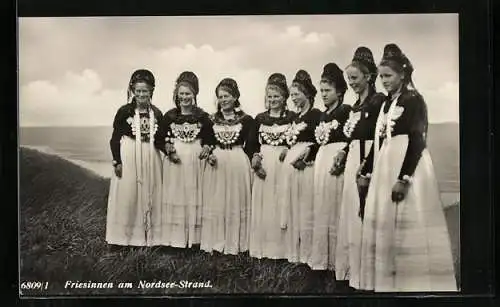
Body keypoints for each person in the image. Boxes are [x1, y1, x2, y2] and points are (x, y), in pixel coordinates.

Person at [358, 43, 457, 292]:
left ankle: (412, 283)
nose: (384, 81)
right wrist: (366, 170)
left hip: (408, 167)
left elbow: (417, 140)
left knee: (407, 220)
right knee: (385, 222)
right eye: (381, 77)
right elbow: (379, 142)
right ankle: (388, 283)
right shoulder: (385, 104)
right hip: (385, 165)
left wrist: (404, 178)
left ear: (402, 74)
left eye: (388, 76)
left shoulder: (415, 101)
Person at [334, 47, 386, 290]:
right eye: (348, 80)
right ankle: (354, 273)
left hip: (369, 159)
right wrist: (344, 151)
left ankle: (371, 275)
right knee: (353, 212)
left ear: (368, 76)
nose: (351, 83)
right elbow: (352, 136)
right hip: (354, 156)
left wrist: (368, 166)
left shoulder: (378, 102)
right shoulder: (354, 107)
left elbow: (380, 136)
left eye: (354, 78)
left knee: (365, 211)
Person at [106, 69, 164, 247]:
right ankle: (124, 238)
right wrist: (117, 161)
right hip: (130, 155)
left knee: (152, 192)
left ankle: (150, 238)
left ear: (151, 91)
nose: (141, 94)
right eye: (137, 91)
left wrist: (169, 151)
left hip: (150, 157)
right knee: (129, 194)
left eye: (145, 91)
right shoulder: (124, 112)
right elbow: (115, 138)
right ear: (132, 91)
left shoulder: (157, 113)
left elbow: (160, 140)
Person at [200, 78, 257, 255]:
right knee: (218, 200)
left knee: (236, 200)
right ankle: (217, 242)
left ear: (235, 97)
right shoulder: (210, 120)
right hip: (217, 162)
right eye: (220, 97)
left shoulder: (247, 120)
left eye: (227, 96)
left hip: (238, 161)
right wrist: (209, 155)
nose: (223, 100)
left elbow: (252, 145)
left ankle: (236, 243)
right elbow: (207, 142)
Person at [158, 71, 213, 248]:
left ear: (195, 94)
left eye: (188, 93)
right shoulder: (169, 116)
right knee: (175, 194)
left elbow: (210, 138)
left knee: (193, 194)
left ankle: (194, 240)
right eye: (181, 94)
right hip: (176, 160)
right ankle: (174, 240)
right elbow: (159, 138)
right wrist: (167, 149)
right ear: (176, 95)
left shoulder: (203, 117)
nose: (184, 97)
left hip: (196, 160)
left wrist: (206, 146)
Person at [308, 63, 351, 277]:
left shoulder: (346, 112)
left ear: (340, 92)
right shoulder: (322, 116)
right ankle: (322, 259)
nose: (323, 95)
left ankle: (337, 261)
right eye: (322, 91)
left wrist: (342, 155)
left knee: (335, 205)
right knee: (322, 205)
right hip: (322, 160)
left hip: (336, 160)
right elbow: (318, 142)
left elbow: (351, 139)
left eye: (328, 91)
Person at [249, 73, 296, 260]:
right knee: (265, 204)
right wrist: (255, 159)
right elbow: (251, 143)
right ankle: (264, 249)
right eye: (270, 96)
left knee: (282, 201)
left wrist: (289, 148)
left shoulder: (292, 117)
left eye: (276, 96)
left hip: (284, 164)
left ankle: (283, 250)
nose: (273, 100)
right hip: (265, 165)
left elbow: (299, 138)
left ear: (284, 97)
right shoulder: (259, 119)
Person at [279, 69, 322, 264]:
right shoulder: (295, 118)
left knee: (307, 207)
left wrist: (305, 157)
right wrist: (287, 149)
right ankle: (295, 253)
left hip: (307, 167)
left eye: (297, 94)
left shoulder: (315, 115)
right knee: (294, 207)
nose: (294, 98)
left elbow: (319, 141)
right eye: (292, 95)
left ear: (308, 94)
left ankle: (308, 253)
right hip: (292, 166)